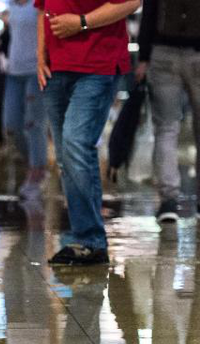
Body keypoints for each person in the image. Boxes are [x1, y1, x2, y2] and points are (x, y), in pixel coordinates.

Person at [37, 0, 141, 266]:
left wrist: (81, 22)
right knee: (67, 156)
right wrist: (40, 55)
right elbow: (43, 9)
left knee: (75, 144)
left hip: (97, 64)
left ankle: (90, 239)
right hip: (55, 68)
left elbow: (132, 2)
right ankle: (87, 240)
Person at [136, 0, 200, 224]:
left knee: (166, 128)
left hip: (162, 53)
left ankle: (169, 201)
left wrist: (143, 57)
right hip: (197, 53)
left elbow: (149, 13)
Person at [4, 0, 48, 188]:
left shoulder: (37, 5)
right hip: (14, 72)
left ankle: (37, 169)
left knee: (33, 123)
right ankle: (30, 161)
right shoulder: (11, 5)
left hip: (34, 70)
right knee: (10, 124)